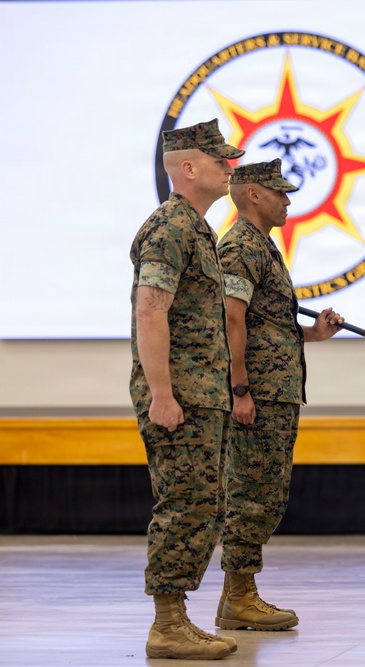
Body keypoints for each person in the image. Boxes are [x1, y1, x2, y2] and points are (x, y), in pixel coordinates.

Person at [130, 118, 243, 660]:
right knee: (184, 503)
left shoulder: (196, 229)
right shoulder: (169, 228)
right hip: (180, 395)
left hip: (202, 394)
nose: (230, 168)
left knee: (204, 503)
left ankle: (177, 618)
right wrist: (161, 394)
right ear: (190, 168)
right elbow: (150, 312)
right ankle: (166, 626)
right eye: (222, 160)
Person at [215, 159, 344, 631]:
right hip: (258, 395)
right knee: (252, 493)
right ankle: (240, 597)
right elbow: (231, 319)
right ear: (254, 194)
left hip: (276, 391)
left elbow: (264, 324)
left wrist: (313, 334)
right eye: (280, 192)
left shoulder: (262, 245)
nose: (288, 201)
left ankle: (235, 597)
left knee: (266, 492)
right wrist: (240, 390)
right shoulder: (240, 247)